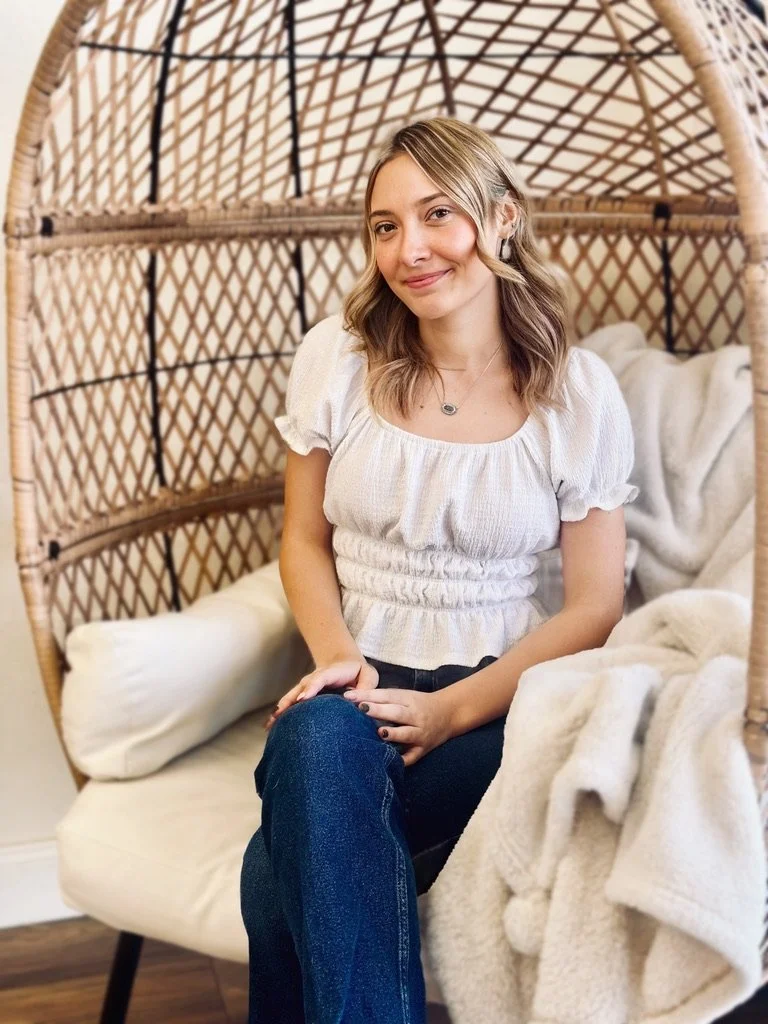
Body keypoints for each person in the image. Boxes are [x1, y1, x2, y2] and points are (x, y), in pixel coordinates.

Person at [239, 115, 638, 1024]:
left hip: (502, 705)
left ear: (501, 220)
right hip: (360, 678)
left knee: (273, 888)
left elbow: (596, 603)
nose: (409, 249)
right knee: (312, 739)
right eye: (385, 226)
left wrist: (452, 709)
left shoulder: (578, 395)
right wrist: (338, 658)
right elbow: (302, 539)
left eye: (437, 216)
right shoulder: (337, 361)